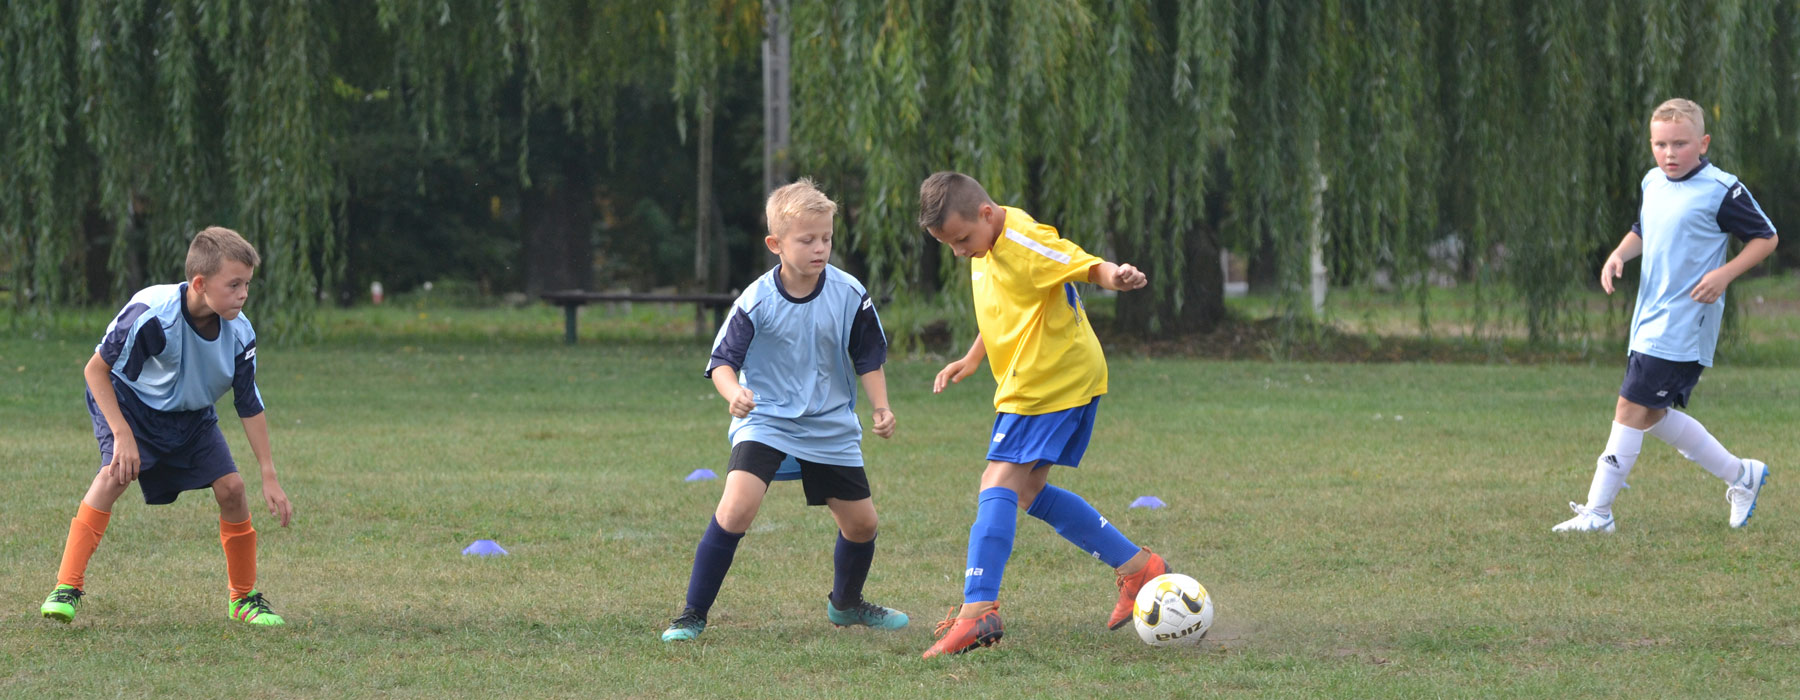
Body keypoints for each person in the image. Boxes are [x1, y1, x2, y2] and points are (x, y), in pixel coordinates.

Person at [916, 171, 1168, 659]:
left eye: (962, 239)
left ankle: (978, 612)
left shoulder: (1024, 239)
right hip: (1041, 379)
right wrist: (972, 358)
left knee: (998, 482)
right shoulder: (983, 242)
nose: (959, 252)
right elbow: (1008, 307)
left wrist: (1115, 276)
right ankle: (1139, 568)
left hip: (1050, 380)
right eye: (948, 244)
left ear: (986, 214)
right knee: (1026, 490)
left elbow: (1082, 263)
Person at [661, 178, 908, 642]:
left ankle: (846, 605)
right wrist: (733, 392)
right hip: (767, 418)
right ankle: (691, 615)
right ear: (776, 244)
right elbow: (722, 363)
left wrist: (881, 406)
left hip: (829, 423)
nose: (820, 249)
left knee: (862, 524)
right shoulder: (756, 300)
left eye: (827, 238)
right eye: (807, 240)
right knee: (736, 507)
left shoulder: (849, 293)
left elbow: (868, 356)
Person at [40, 226, 294, 625]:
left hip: (191, 417)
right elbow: (96, 371)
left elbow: (248, 403)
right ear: (199, 283)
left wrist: (269, 474)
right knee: (114, 476)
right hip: (131, 405)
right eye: (234, 285)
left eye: (247, 284)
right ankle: (66, 587)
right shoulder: (154, 317)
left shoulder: (240, 332)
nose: (244, 294)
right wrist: (123, 436)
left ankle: (243, 599)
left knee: (233, 489)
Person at [1554, 98, 1779, 533]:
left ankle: (1598, 512)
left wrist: (1724, 275)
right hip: (1649, 320)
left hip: (1685, 324)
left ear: (1703, 142)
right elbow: (1643, 229)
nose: (1669, 153)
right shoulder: (1653, 182)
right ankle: (1742, 475)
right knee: (1652, 415)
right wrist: (1619, 254)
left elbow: (1766, 238)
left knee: (1629, 406)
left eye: (1680, 144)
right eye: (1660, 144)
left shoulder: (1722, 189)